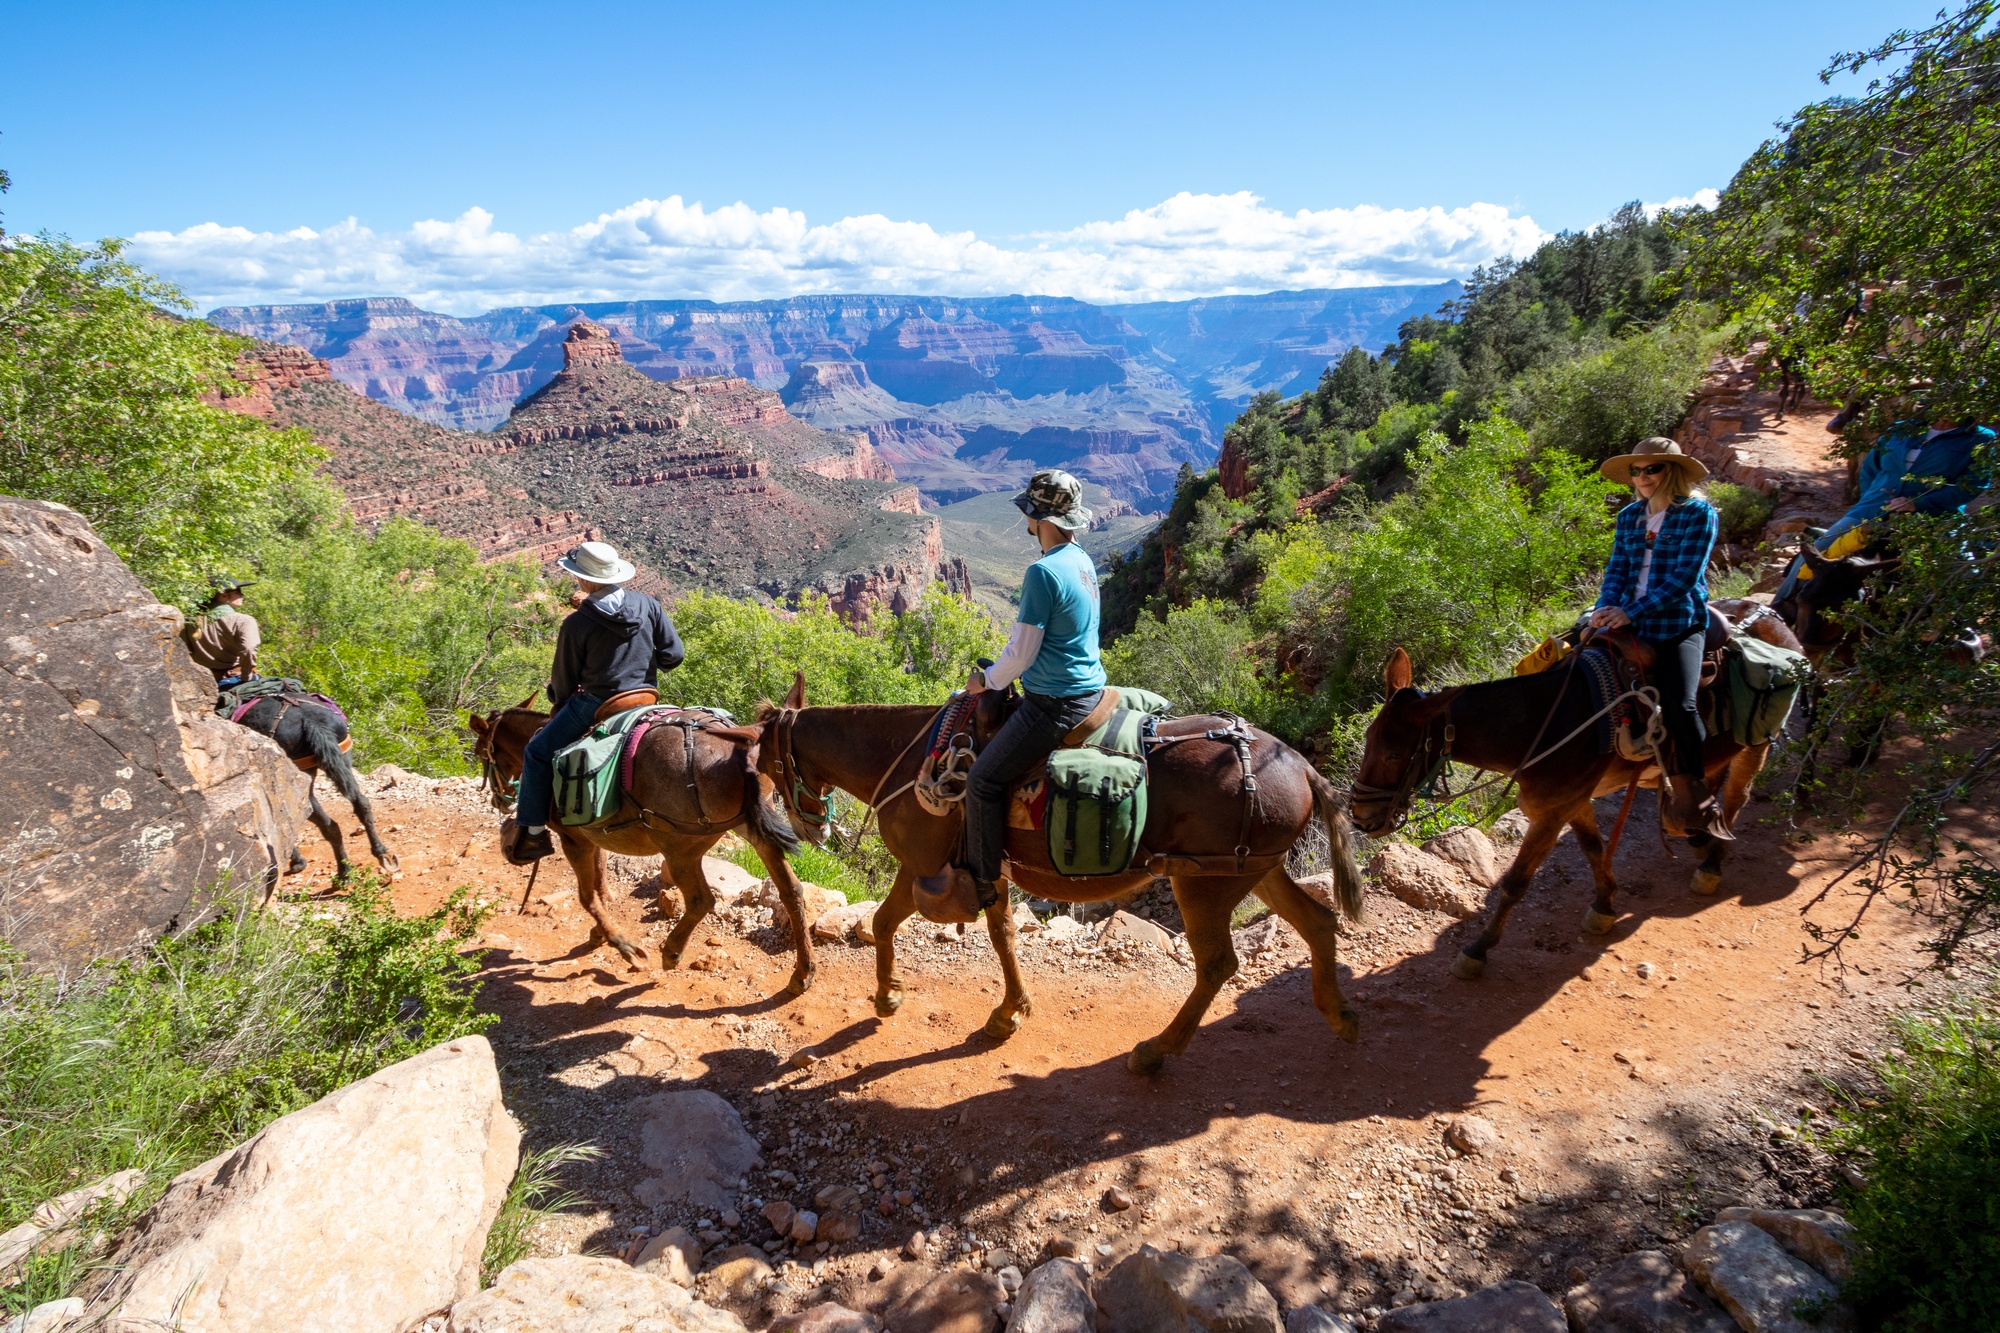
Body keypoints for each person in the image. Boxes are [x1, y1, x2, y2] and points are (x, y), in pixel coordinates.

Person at [948, 469, 1107, 909]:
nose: (1027, 524)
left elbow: (1021, 656)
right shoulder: (1082, 559)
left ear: (1039, 518)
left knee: (982, 780)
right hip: (1091, 689)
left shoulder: (1042, 572)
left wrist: (984, 682)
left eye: (1030, 516)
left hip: (1054, 704)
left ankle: (981, 886)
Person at [503, 541, 684, 864]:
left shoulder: (576, 624)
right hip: (646, 699)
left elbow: (564, 682)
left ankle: (531, 833)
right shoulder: (648, 605)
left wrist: (557, 698)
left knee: (536, 751)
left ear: (583, 580)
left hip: (597, 704)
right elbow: (674, 656)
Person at [1587, 438, 1732, 841]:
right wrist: (1604, 607)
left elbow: (1685, 578)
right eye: (1636, 471)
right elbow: (1617, 570)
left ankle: (1695, 795)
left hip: (1676, 623)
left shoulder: (1698, 513)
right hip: (1625, 619)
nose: (1642, 477)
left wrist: (1629, 612)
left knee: (1682, 707)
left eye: (1652, 469)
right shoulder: (1630, 516)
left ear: (1672, 472)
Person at [1772, 416, 1994, 611]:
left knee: (1964, 572)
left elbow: (1974, 485)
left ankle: (1961, 636)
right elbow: (1870, 469)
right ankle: (1776, 612)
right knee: (1812, 554)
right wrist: (1874, 500)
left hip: (1937, 517)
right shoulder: (1901, 428)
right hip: (1871, 511)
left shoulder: (1980, 438)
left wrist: (1920, 504)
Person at [182, 577, 261, 688]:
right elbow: (249, 649)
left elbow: (184, 651)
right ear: (223, 596)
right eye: (238, 592)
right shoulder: (244, 621)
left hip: (203, 681)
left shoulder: (189, 621)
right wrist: (247, 676)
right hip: (235, 679)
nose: (242, 595)